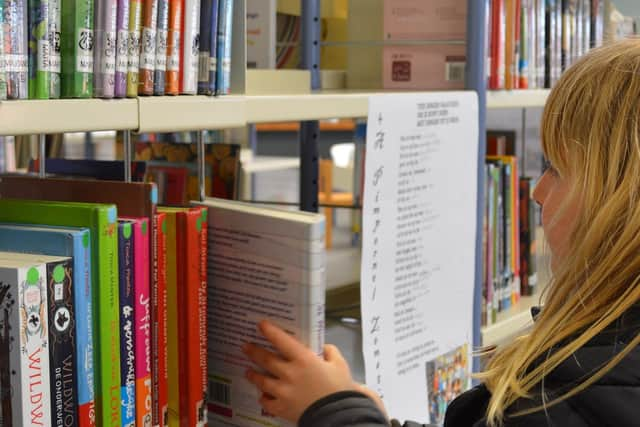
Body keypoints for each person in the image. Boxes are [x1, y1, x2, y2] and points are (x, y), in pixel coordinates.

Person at [241, 39, 640, 427]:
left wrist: (334, 410)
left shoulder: (566, 403)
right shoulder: (607, 355)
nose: (536, 192)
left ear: (619, 200)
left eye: (556, 169)